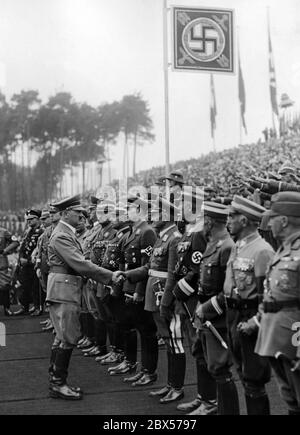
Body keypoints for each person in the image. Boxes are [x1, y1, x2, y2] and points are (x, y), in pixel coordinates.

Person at [46, 195, 121, 400]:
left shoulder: (64, 232)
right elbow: (81, 264)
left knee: (62, 336)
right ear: (64, 213)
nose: (82, 215)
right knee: (69, 336)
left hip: (64, 287)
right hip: (65, 289)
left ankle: (55, 379)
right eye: (76, 212)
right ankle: (58, 384)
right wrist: (110, 276)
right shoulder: (62, 235)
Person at [223, 195, 274, 414]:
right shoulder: (238, 247)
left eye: (232, 216)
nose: (228, 221)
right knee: (243, 376)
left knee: (254, 381)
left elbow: (270, 296)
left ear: (244, 221)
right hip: (234, 316)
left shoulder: (262, 250)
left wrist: (255, 322)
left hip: (250, 318)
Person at [255, 192, 300, 415]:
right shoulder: (282, 249)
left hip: (294, 339)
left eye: (273, 217)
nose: (268, 222)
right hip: (277, 336)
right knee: (290, 399)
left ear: (283, 221)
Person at [193, 202, 239, 415]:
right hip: (205, 314)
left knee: (220, 369)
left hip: (218, 318)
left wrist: (206, 309)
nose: (203, 223)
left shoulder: (227, 247)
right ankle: (207, 402)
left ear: (210, 221)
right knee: (202, 357)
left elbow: (231, 290)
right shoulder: (214, 244)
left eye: (204, 219)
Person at [14, 209, 43, 316]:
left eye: (31, 219)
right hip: (24, 263)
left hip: (34, 263)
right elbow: (22, 247)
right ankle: (24, 306)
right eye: (28, 219)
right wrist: (21, 259)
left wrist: (29, 260)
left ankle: (37, 307)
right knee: (23, 286)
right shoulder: (27, 232)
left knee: (36, 287)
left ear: (38, 219)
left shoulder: (41, 232)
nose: (29, 221)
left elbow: (40, 249)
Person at [0, 227, 19, 316]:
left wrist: (5, 250)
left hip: (1, 262)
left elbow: (16, 242)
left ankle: (7, 308)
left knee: (4, 286)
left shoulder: (3, 232)